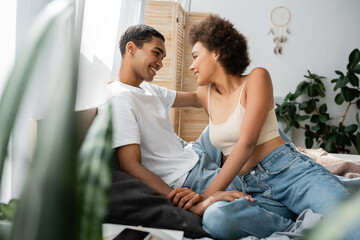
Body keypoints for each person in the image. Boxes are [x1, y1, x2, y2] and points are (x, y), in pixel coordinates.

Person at [99, 24, 296, 238]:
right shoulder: (119, 99)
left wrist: (237, 87)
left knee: (251, 121)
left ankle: (289, 158)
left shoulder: (147, 89)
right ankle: (291, 225)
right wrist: (186, 201)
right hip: (187, 177)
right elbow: (130, 165)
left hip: (194, 152)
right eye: (156, 53)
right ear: (131, 48)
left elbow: (196, 98)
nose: (160, 63)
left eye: (163, 57)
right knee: (269, 205)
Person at [187, 15, 351, 239]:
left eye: (196, 56)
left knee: (352, 221)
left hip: (287, 172)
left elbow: (246, 143)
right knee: (216, 218)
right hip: (252, 189)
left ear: (215, 52)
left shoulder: (256, 77)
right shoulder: (204, 93)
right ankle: (303, 225)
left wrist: (206, 196)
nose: (191, 65)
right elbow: (161, 97)